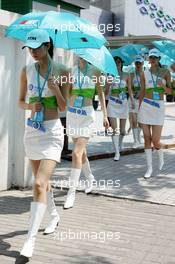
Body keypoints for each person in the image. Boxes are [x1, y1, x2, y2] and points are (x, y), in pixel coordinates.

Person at [16, 29, 69, 261]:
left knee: (38, 183)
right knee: (42, 185)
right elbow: (19, 102)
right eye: (30, 47)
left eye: (37, 47)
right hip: (32, 132)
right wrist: (31, 107)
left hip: (52, 133)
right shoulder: (26, 71)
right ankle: (54, 215)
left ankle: (29, 240)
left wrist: (56, 88)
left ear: (47, 46)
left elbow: (64, 107)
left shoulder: (64, 71)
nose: (33, 52)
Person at [64, 57, 109, 209]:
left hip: (87, 116)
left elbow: (101, 94)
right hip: (73, 114)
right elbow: (67, 92)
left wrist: (105, 115)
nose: (81, 55)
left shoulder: (95, 71)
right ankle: (90, 177)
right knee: (81, 153)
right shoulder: (71, 71)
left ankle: (72, 192)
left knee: (76, 154)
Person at [138, 48, 172, 179]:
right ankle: (149, 168)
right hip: (146, 106)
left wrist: (162, 86)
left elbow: (170, 92)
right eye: (151, 57)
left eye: (155, 57)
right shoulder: (144, 73)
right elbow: (142, 91)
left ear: (159, 59)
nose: (152, 59)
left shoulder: (165, 72)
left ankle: (160, 151)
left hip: (158, 108)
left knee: (156, 141)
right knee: (147, 138)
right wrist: (139, 109)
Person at [105, 56, 134, 161]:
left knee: (122, 131)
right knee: (115, 130)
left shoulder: (127, 75)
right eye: (115, 62)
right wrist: (108, 85)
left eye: (119, 62)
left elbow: (129, 89)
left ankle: (120, 145)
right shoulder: (110, 75)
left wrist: (132, 101)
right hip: (113, 103)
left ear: (122, 63)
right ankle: (117, 152)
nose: (117, 64)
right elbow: (105, 93)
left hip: (123, 103)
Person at [129, 55, 144, 148]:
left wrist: (141, 92)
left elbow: (147, 87)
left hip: (142, 100)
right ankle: (135, 141)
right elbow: (129, 88)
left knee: (141, 122)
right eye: (136, 63)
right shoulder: (131, 74)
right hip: (133, 100)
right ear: (134, 64)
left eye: (139, 63)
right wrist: (132, 97)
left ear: (142, 63)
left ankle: (138, 137)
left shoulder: (146, 74)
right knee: (134, 121)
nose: (138, 64)